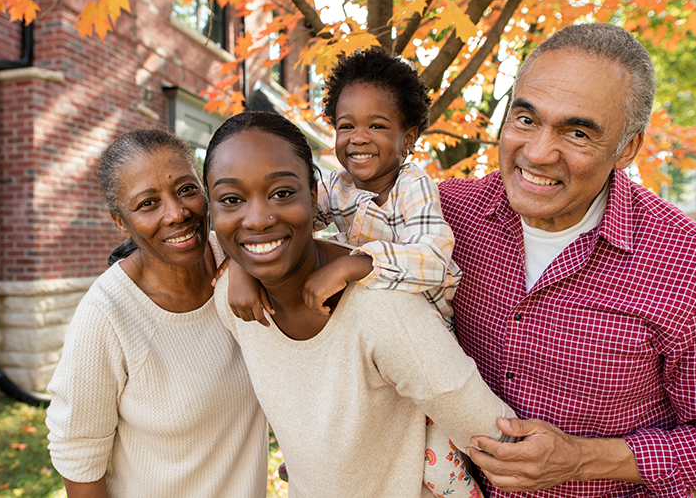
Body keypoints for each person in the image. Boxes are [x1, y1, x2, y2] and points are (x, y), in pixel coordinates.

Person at [436, 23, 696, 497]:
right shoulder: (444, 216)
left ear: (626, 148)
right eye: (525, 120)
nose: (538, 153)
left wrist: (582, 459)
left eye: (577, 132)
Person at [206, 110, 517, 497]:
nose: (256, 219)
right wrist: (237, 263)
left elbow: (502, 444)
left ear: (315, 193)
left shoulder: (384, 312)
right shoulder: (233, 302)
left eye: (282, 193)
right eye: (231, 199)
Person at [45, 129, 268, 497]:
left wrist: (242, 261)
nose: (177, 213)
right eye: (148, 203)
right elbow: (79, 459)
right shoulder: (107, 314)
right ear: (120, 221)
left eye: (186, 189)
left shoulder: (244, 261)